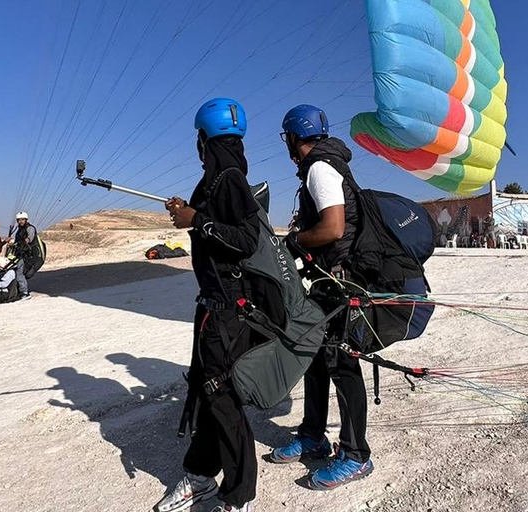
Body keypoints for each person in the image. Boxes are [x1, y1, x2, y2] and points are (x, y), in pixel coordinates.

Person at [156, 98, 259, 512]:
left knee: (222, 397)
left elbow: (246, 240)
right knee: (207, 392)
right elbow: (209, 220)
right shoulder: (217, 179)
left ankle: (239, 497)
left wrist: (197, 221)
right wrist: (188, 210)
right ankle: (200, 476)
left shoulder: (230, 178)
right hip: (213, 308)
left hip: (229, 313)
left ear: (204, 139)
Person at [271, 104, 374, 490]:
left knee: (342, 365)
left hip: (342, 283)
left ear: (295, 137)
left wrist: (293, 241)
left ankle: (356, 455)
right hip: (328, 281)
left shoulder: (320, 168)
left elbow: (332, 229)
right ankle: (313, 435)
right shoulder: (325, 165)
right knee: (315, 357)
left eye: (288, 138)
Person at [11, 211, 38, 300]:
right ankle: (18, 291)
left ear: (26, 220)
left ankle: (24, 292)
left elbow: (29, 239)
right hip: (19, 253)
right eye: (19, 220)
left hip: (26, 255)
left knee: (20, 273)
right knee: (15, 272)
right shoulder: (19, 230)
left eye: (22, 220)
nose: (20, 221)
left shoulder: (30, 228)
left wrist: (25, 241)